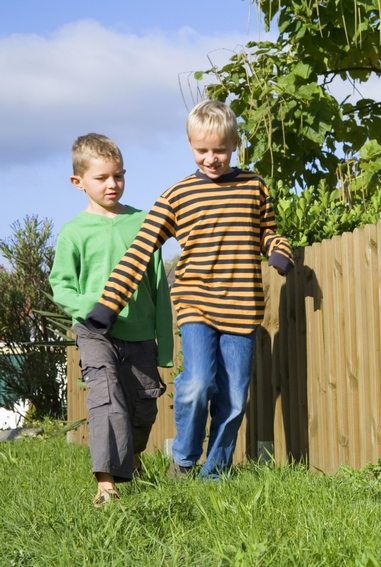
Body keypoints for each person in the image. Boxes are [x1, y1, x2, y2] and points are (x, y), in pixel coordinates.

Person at [85, 100, 294, 479]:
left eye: (220, 150)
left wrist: (278, 251)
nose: (211, 159)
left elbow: (269, 232)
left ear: (234, 145)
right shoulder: (177, 195)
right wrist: (108, 305)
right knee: (197, 384)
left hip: (243, 308)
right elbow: (140, 251)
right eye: (202, 150)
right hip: (197, 305)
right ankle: (183, 460)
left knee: (233, 399)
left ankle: (215, 474)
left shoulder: (253, 187)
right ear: (190, 145)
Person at [49, 133, 174, 507]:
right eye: (102, 177)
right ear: (79, 182)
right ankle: (106, 484)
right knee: (107, 401)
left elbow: (159, 286)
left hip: (140, 334)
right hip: (95, 332)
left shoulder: (143, 222)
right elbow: (62, 287)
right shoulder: (74, 232)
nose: (112, 184)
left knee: (142, 407)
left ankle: (130, 461)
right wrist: (95, 303)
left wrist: (164, 345)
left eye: (118, 175)